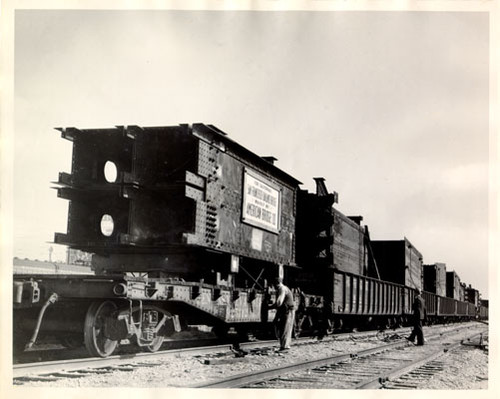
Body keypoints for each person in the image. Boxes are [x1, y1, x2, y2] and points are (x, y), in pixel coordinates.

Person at [269, 277, 295, 352]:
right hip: (285, 310)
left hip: (288, 311)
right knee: (283, 328)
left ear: (276, 284)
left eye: (273, 285)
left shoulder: (282, 289)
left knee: (285, 328)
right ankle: (284, 346)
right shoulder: (283, 288)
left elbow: (279, 302)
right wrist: (276, 317)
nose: (273, 287)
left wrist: (269, 307)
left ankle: (285, 347)